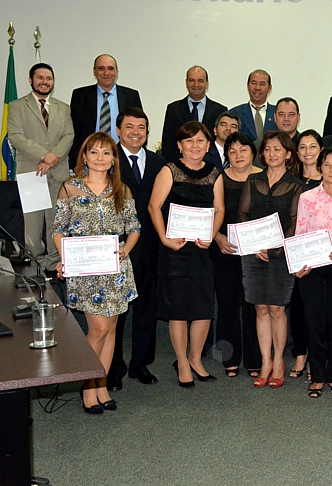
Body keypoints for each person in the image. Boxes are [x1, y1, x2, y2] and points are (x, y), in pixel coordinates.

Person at [52, 132, 140, 414]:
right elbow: (58, 230)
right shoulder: (70, 188)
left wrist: (127, 248)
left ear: (114, 158)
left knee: (112, 328)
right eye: (94, 152)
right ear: (85, 157)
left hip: (115, 267)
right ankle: (87, 387)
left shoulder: (121, 190)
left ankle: (100, 385)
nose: (100, 158)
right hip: (86, 269)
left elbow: (134, 227)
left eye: (106, 153)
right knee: (99, 328)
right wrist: (65, 256)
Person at [148, 121, 225, 388]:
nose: (195, 146)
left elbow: (220, 209)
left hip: (202, 250)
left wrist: (211, 235)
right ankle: (181, 360)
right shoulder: (169, 170)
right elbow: (154, 206)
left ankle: (196, 358)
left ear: (208, 145)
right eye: (189, 141)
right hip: (175, 250)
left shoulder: (214, 173)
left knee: (203, 307)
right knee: (178, 309)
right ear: (179, 145)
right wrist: (164, 239)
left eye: (200, 141)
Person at [239, 131, 306, 389]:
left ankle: (279, 361)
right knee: (260, 308)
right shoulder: (252, 180)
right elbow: (243, 214)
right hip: (253, 254)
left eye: (277, 149)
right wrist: (254, 245)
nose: (272, 154)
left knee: (277, 309)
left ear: (288, 154)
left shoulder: (297, 185)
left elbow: (294, 223)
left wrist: (275, 250)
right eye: (267, 149)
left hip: (280, 255)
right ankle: (265, 361)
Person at [108, 108, 166, 390]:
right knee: (116, 312)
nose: (135, 132)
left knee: (146, 308)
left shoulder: (159, 163)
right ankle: (112, 368)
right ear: (118, 130)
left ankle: (140, 364)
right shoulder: (107, 159)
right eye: (129, 127)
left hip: (152, 246)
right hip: (117, 246)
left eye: (141, 127)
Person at [294, 146, 332, 398]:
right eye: (327, 164)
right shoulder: (307, 198)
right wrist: (298, 264)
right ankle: (317, 376)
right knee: (315, 318)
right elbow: (300, 232)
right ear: (319, 168)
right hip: (313, 263)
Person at [7, 62, 74, 274]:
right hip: (32, 172)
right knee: (34, 224)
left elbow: (69, 136)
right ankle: (36, 265)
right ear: (31, 80)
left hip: (58, 172)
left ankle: (54, 264)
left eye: (49, 78)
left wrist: (52, 159)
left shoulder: (63, 107)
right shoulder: (17, 106)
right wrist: (44, 155)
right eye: (40, 78)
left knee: (56, 220)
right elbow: (15, 136)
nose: (45, 82)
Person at [211, 133, 263, 378]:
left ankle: (255, 358)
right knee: (228, 304)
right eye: (232, 151)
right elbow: (212, 213)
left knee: (254, 305)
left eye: (243, 149)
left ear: (252, 152)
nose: (238, 155)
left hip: (257, 252)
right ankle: (229, 358)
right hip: (226, 250)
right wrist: (218, 237)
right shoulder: (219, 178)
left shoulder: (264, 177)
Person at [287, 128, 322, 379]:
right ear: (296, 153)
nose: (307, 152)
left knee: (320, 308)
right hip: (298, 253)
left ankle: (318, 357)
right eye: (302, 147)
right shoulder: (290, 181)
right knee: (298, 305)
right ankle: (301, 354)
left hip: (324, 254)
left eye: (312, 146)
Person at [70, 54, 142, 165]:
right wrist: (76, 161)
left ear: (117, 72)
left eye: (110, 68)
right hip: (90, 159)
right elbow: (74, 131)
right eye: (101, 68)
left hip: (122, 158)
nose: (106, 73)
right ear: (94, 72)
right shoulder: (80, 95)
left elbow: (139, 127)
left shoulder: (131, 96)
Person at [161, 66, 227, 163]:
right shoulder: (173, 109)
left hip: (211, 166)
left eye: (200, 81)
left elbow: (222, 142)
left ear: (207, 84)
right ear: (186, 83)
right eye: (192, 80)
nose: (196, 84)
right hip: (180, 166)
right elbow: (168, 143)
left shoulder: (219, 110)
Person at [230, 69, 276, 142]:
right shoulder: (234, 113)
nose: (257, 88)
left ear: (269, 88)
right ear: (248, 86)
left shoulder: (277, 113)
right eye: (254, 83)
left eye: (262, 84)